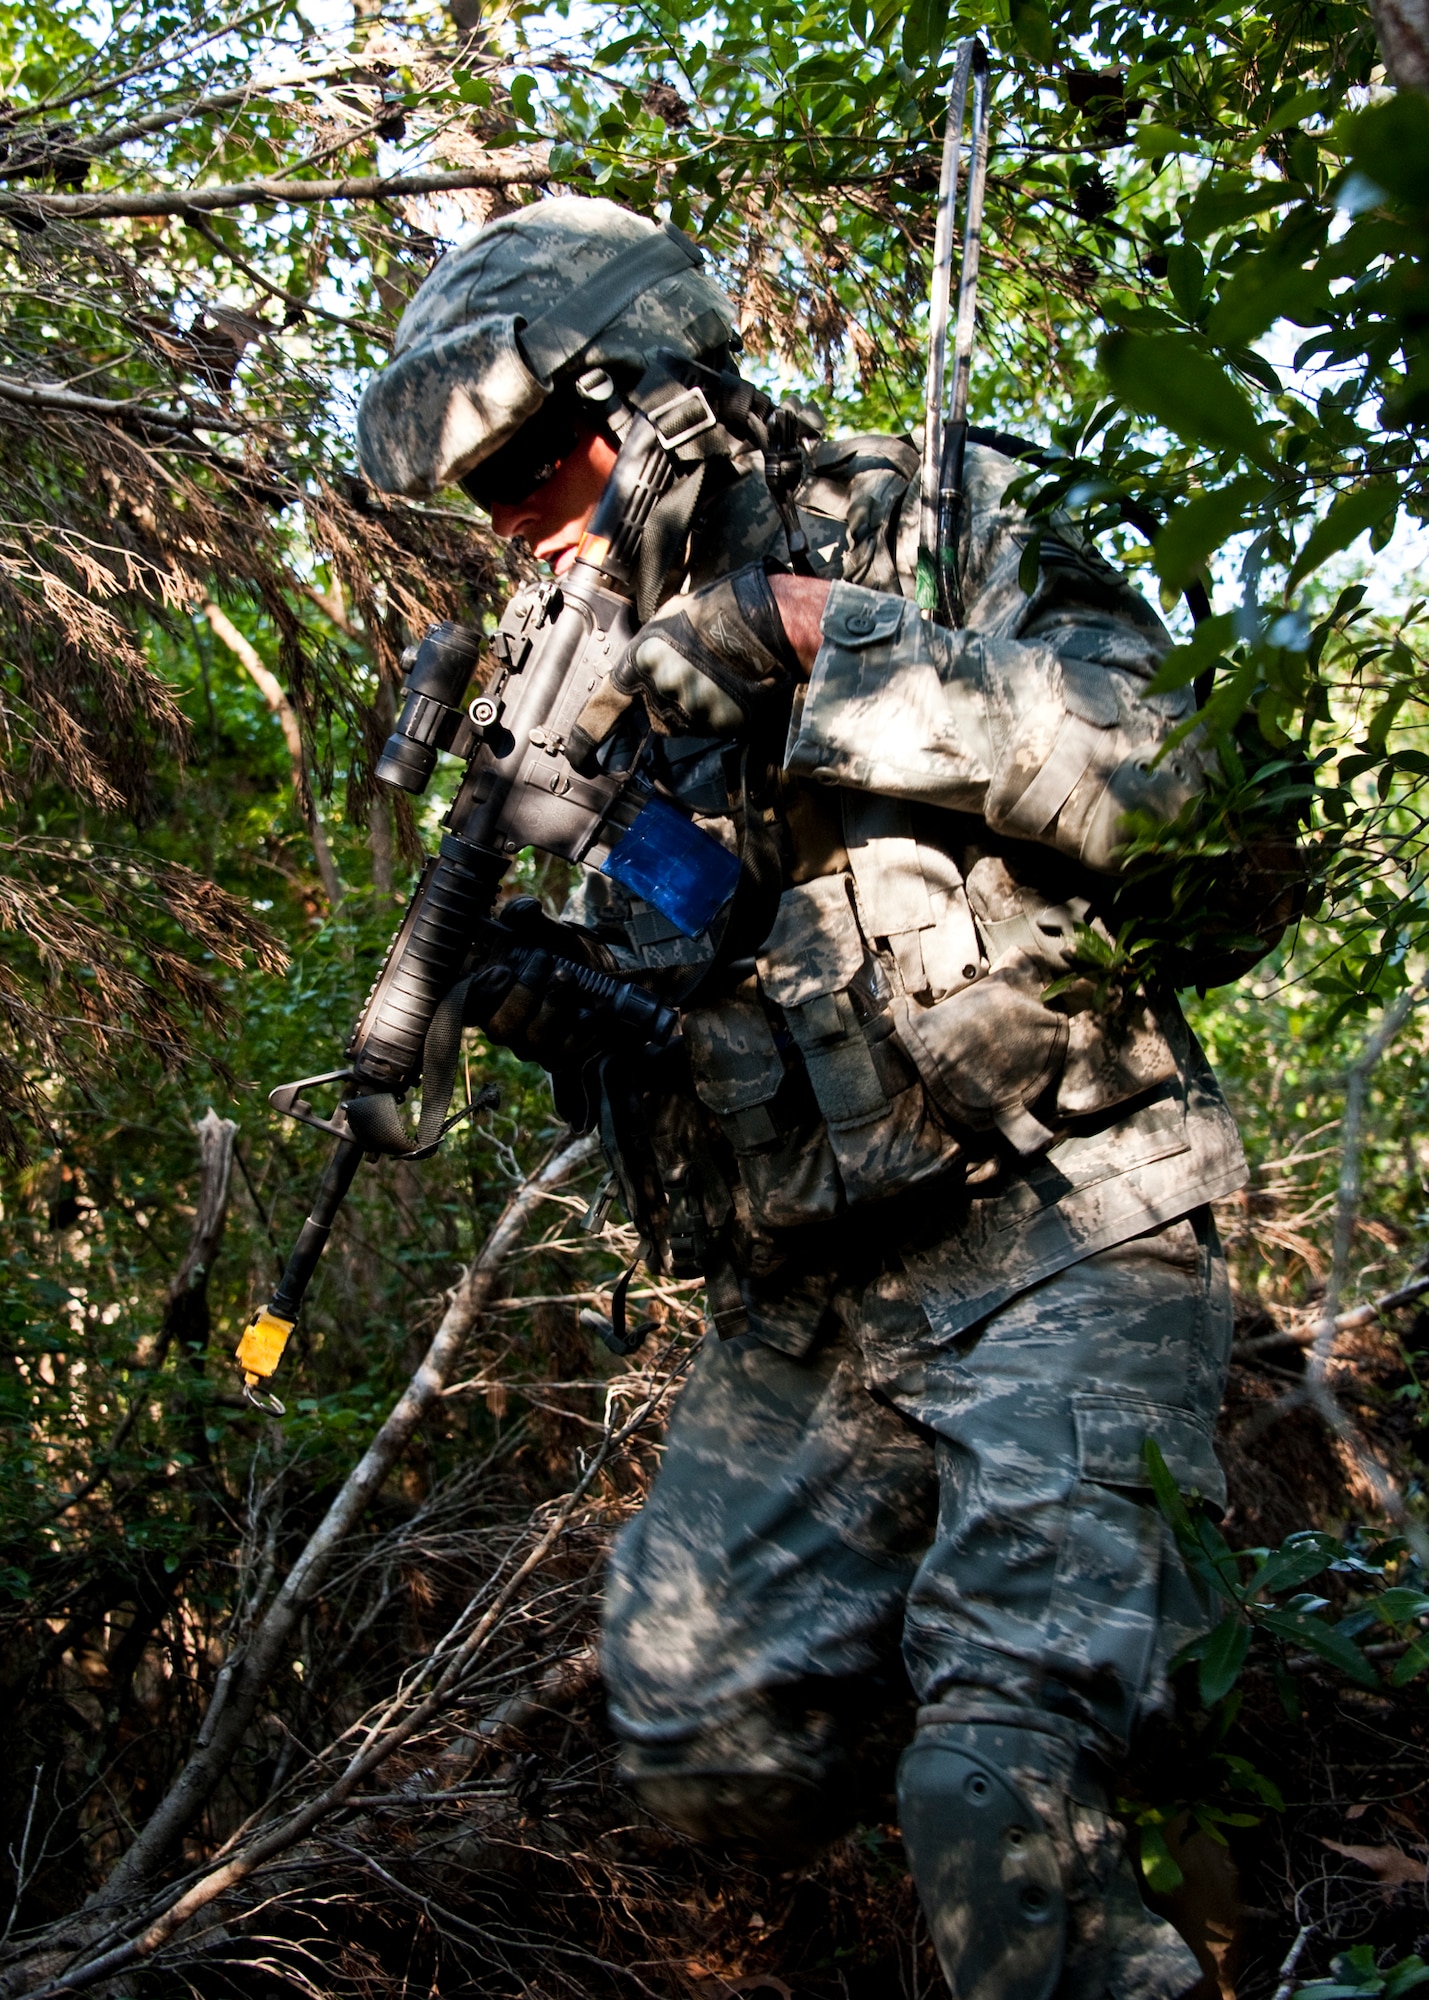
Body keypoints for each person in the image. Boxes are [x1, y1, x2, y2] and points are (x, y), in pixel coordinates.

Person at [356, 195, 1264, 2000]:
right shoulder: (574, 696)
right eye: (486, 493)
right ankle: (1042, 1711)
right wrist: (579, 1014)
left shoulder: (921, 522)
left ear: (658, 396)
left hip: (1061, 1225)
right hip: (818, 1303)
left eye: (538, 460)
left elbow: (1218, 824)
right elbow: (729, 1023)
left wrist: (820, 636)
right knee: (700, 1746)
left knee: (998, 1793)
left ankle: (1080, 1790)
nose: (518, 520)